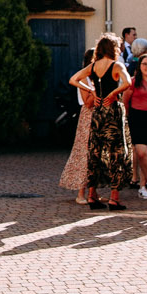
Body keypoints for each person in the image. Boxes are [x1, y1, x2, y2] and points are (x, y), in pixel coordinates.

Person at [79, 35, 134, 211]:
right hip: (112, 111)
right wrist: (113, 93)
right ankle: (114, 198)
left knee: (95, 151)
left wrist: (92, 91)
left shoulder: (93, 66)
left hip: (98, 112)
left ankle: (91, 195)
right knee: (116, 152)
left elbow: (74, 79)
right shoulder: (116, 65)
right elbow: (128, 82)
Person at [58, 46, 97, 203]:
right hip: (88, 117)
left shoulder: (97, 77)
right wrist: (97, 91)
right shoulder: (84, 79)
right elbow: (87, 102)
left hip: (99, 115)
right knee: (84, 155)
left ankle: (92, 193)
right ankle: (81, 193)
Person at [126, 50, 147, 199]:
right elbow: (125, 100)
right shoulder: (133, 82)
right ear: (139, 66)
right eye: (144, 64)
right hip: (137, 118)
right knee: (141, 153)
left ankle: (143, 186)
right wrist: (126, 117)